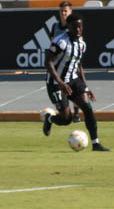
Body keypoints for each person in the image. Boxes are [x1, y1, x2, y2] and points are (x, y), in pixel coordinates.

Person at [41, 13, 109, 152]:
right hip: (56, 83)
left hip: (73, 80)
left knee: (88, 108)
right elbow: (47, 62)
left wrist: (85, 86)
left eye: (80, 26)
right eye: (75, 27)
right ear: (68, 27)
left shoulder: (82, 44)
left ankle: (96, 144)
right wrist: (60, 82)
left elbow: (78, 65)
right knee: (66, 119)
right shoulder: (60, 42)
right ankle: (49, 119)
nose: (78, 29)